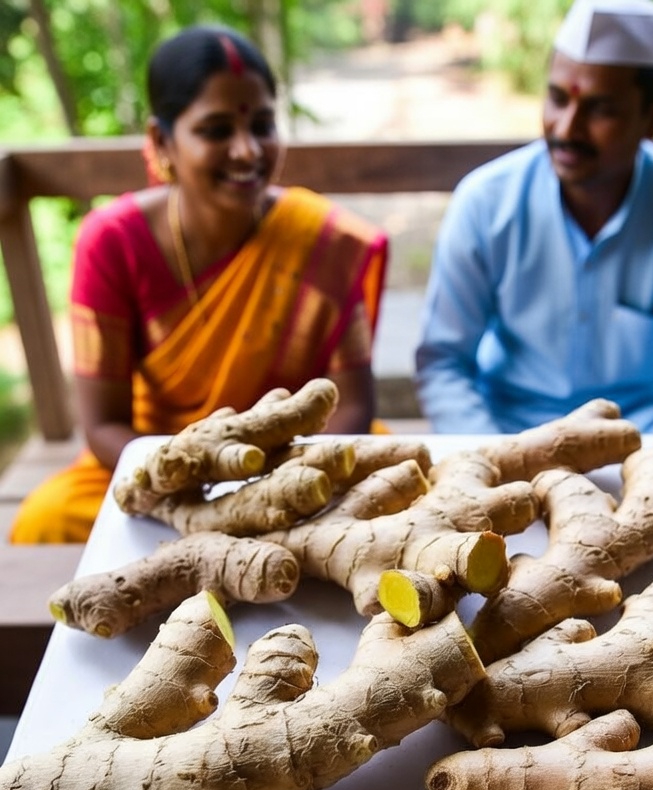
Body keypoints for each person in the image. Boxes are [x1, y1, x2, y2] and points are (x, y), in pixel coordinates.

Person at [415, 0, 653, 537]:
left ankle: (610, 539)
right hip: (516, 437)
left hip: (643, 440)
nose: (566, 127)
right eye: (556, 98)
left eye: (600, 109)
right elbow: (444, 363)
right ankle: (635, 544)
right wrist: (497, 467)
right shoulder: (486, 201)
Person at [11, 24, 388, 544]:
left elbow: (352, 406)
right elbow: (102, 425)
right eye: (215, 130)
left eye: (262, 124)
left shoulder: (324, 239)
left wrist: (273, 483)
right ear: (160, 141)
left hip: (297, 461)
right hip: (161, 461)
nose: (247, 151)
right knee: (46, 521)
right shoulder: (111, 242)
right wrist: (200, 492)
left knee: (395, 497)